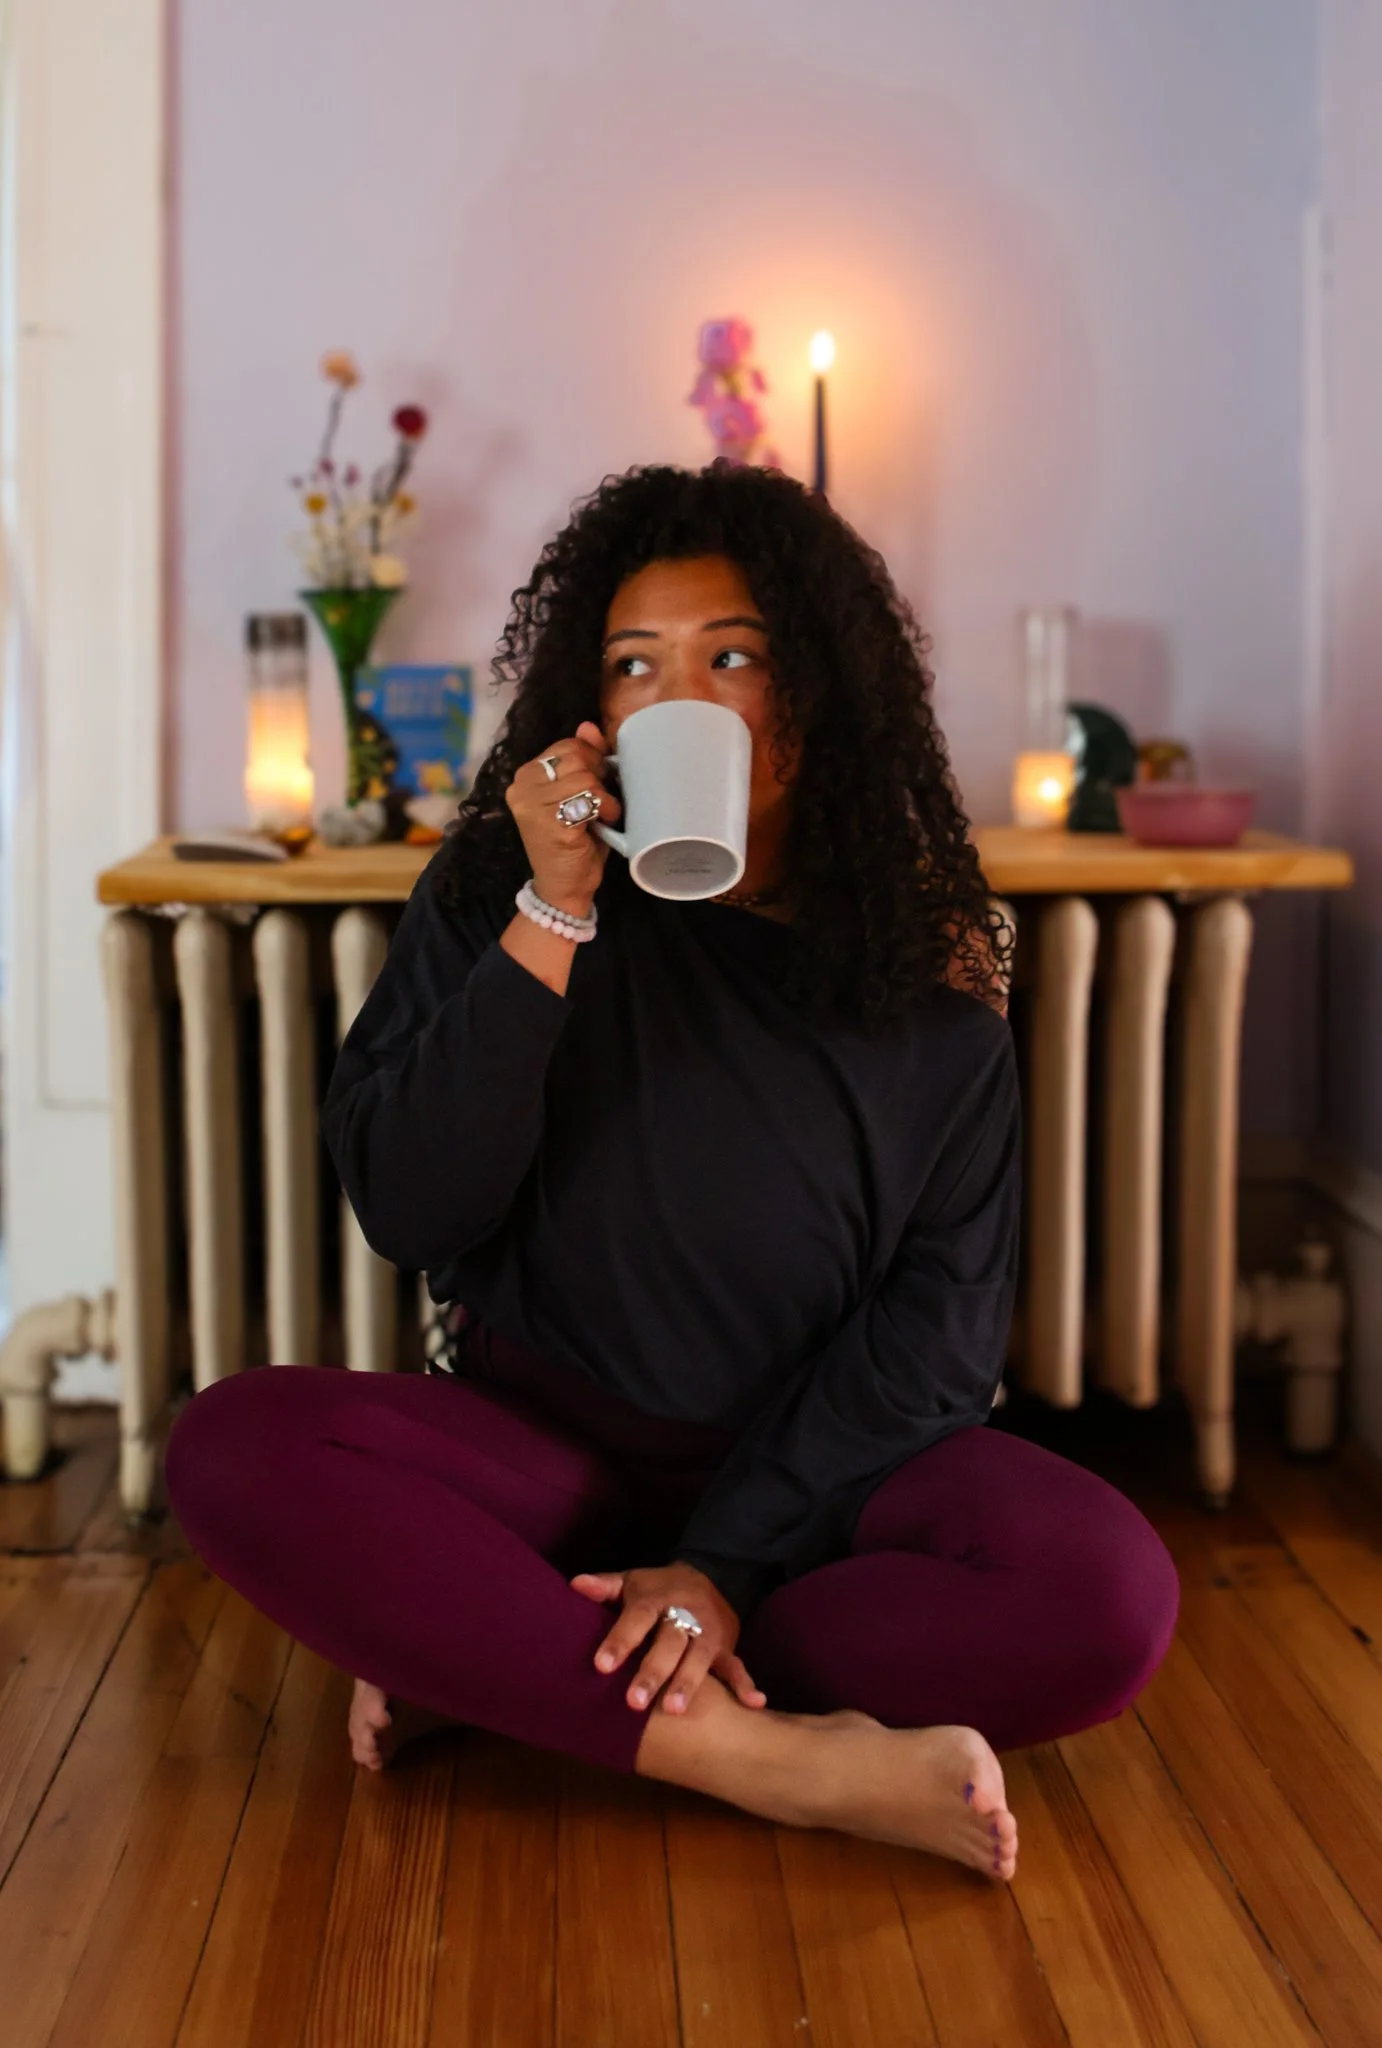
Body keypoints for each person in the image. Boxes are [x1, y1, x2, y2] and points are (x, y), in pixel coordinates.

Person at [166, 463, 1178, 1882]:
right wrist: (548, 916)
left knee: (1107, 1600)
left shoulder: (928, 991)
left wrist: (725, 1568)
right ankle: (766, 1759)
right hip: (543, 1465)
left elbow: (936, 1346)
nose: (676, 697)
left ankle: (503, 1658)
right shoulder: (496, 899)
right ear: (599, 716)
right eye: (635, 666)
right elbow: (408, 1206)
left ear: (812, 702)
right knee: (232, 1445)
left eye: (733, 657)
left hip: (815, 1489)